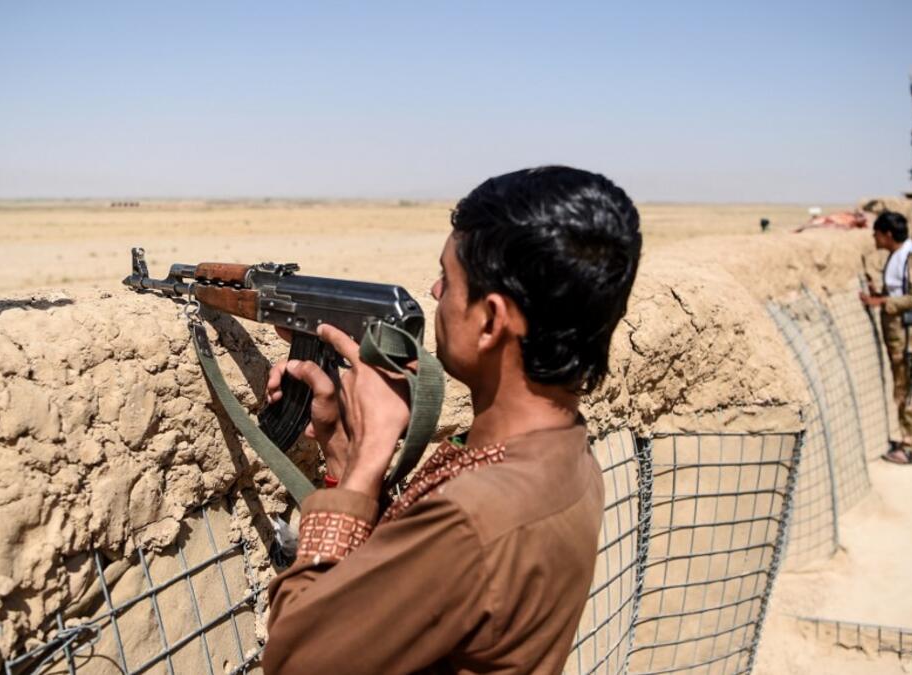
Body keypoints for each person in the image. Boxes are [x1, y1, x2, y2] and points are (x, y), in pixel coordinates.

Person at [260, 166, 642, 674]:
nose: (436, 291)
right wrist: (345, 453)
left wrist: (370, 458)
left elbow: (293, 660)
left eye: (449, 277)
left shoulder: (473, 520)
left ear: (491, 321)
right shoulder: (562, 451)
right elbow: (414, 588)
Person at [859, 211, 912, 465]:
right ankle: (907, 441)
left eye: (877, 234)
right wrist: (879, 292)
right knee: (902, 390)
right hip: (898, 340)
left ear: (888, 234)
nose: (874, 238)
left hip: (908, 340)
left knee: (910, 391)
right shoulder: (897, 257)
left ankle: (910, 448)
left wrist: (883, 302)